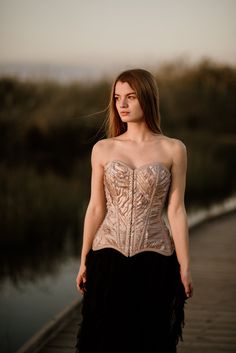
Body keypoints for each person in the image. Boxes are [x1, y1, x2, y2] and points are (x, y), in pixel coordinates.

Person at [75, 68, 193, 353]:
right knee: (105, 340)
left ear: (148, 99)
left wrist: (185, 265)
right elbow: (95, 208)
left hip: (155, 259)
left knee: (149, 340)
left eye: (131, 97)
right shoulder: (103, 149)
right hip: (107, 256)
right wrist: (83, 260)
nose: (122, 105)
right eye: (117, 98)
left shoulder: (174, 149)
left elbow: (176, 210)